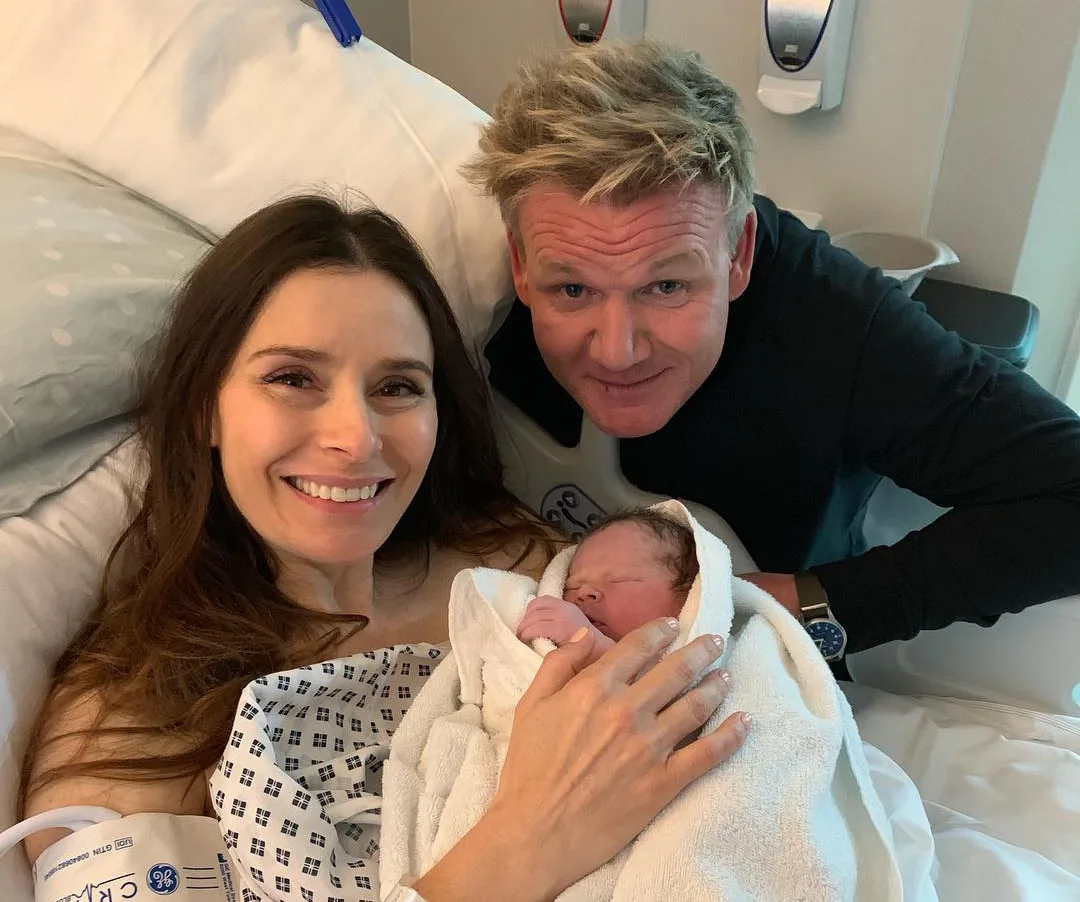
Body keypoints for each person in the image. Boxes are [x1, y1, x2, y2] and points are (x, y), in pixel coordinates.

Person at [16, 195, 751, 902]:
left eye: (397, 387)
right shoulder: (130, 733)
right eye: (292, 378)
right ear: (205, 407)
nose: (356, 437)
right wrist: (534, 837)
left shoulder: (511, 564)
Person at [471, 39, 1080, 660]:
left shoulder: (834, 323)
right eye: (572, 289)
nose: (617, 353)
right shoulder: (467, 300)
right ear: (520, 264)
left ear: (739, 255)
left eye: (667, 286)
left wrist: (781, 608)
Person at [517, 508, 698, 653]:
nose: (584, 592)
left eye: (618, 580)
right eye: (572, 585)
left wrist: (589, 644)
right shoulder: (524, 602)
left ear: (690, 598)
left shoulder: (697, 662)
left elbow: (640, 681)